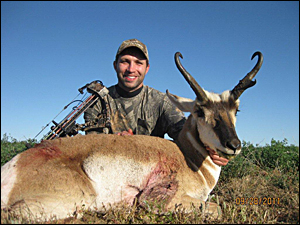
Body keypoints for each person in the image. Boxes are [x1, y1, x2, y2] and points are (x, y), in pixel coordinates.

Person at [83, 38, 186, 140]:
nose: (131, 69)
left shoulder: (163, 102)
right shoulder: (97, 101)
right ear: (115, 66)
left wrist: (136, 144)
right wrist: (115, 143)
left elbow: (186, 139)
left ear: (147, 69)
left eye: (138, 63)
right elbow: (92, 143)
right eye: (125, 61)